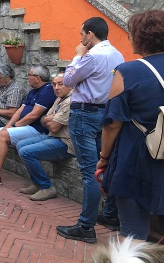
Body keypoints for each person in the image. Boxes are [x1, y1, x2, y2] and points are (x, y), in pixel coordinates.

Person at [97, 10, 164, 241]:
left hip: (136, 158)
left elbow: (112, 123)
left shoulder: (128, 71)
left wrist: (104, 158)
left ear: (141, 37)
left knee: (133, 232)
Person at [57, 17, 125, 244]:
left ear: (90, 34)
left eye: (82, 34)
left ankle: (85, 226)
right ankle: (110, 215)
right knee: (104, 166)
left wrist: (77, 55)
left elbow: (68, 80)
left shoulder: (91, 56)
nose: (80, 38)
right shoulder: (118, 55)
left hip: (85, 115)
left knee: (89, 172)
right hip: (105, 114)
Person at [0, 64, 56, 185]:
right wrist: (8, 125)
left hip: (36, 129)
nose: (27, 77)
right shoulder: (33, 91)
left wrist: (15, 125)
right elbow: (20, 110)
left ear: (38, 78)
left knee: (2, 136)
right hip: (25, 126)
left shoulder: (47, 91)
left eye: (29, 75)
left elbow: (34, 115)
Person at [16, 73, 74, 201]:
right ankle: (37, 183)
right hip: (53, 137)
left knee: (26, 152)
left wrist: (50, 119)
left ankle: (46, 187)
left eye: (60, 84)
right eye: (54, 84)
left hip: (65, 143)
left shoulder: (70, 101)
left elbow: (54, 127)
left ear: (70, 85)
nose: (56, 88)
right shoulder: (60, 98)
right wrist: (50, 119)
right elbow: (43, 119)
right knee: (20, 144)